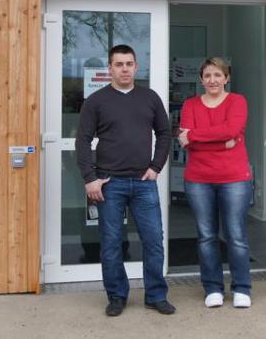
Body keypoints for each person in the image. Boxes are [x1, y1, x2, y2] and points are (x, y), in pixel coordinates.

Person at [76, 44, 175, 317]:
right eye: (118, 64)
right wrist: (90, 178)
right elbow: (82, 141)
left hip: (144, 183)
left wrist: (156, 167)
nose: (124, 69)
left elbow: (165, 134)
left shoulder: (150, 98)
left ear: (136, 66)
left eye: (129, 64)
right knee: (111, 243)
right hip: (110, 184)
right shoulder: (96, 101)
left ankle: (155, 295)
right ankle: (116, 296)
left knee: (154, 240)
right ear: (110, 68)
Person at [178, 57, 253, 309]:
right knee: (206, 236)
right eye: (208, 75)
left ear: (226, 78)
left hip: (234, 178)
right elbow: (184, 140)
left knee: (236, 235)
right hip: (198, 178)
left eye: (217, 75)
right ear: (201, 79)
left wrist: (196, 136)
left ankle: (242, 288)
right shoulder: (190, 104)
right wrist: (222, 142)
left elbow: (230, 129)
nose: (212, 80)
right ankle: (213, 288)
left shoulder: (237, 101)